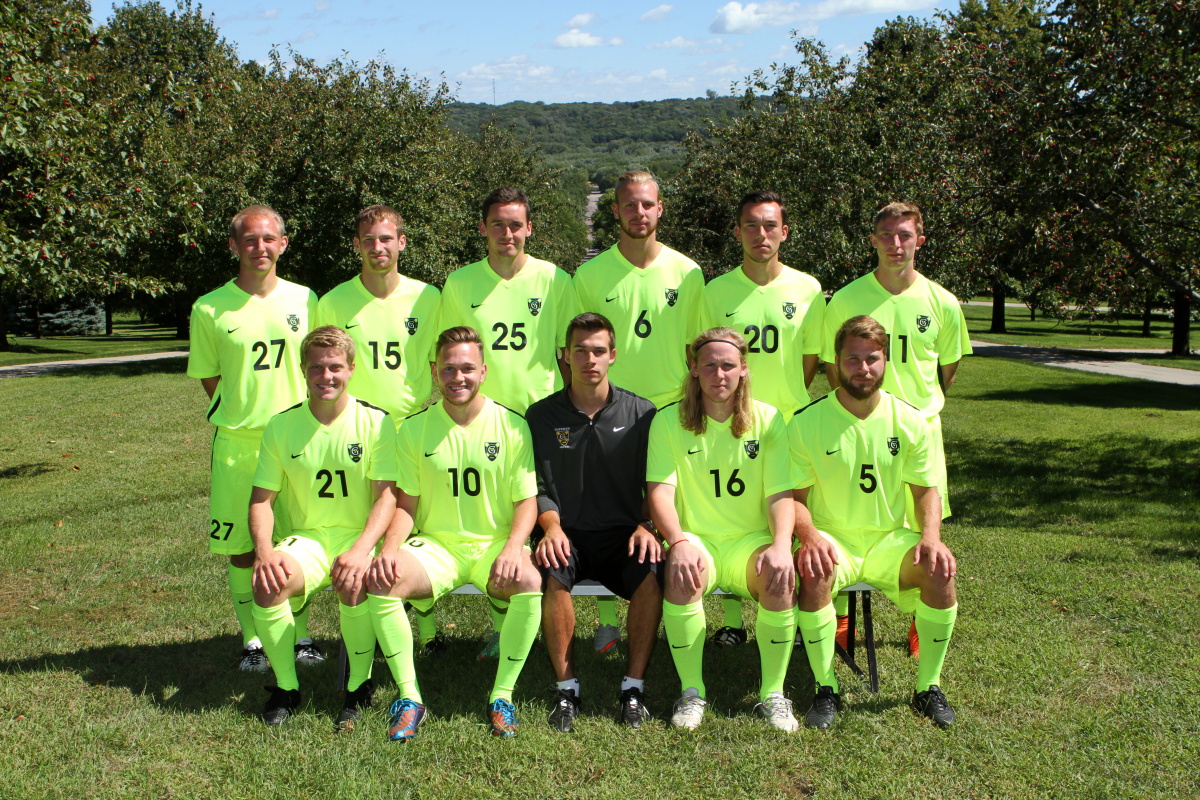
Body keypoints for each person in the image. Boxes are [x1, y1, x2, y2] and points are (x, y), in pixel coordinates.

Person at [366, 326, 543, 740]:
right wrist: (390, 547)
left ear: (483, 370)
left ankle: (503, 696)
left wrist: (515, 547)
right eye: (449, 369)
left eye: (467, 368)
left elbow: (526, 502)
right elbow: (407, 505)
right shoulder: (412, 429)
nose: (458, 377)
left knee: (530, 579)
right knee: (383, 579)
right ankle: (409, 698)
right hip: (439, 546)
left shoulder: (513, 425)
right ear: (434, 371)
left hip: (495, 543)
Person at [791, 315, 959, 729]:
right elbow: (792, 499)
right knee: (813, 572)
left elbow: (926, 491)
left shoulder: (910, 420)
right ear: (835, 362)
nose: (862, 368)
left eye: (872, 359)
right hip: (834, 539)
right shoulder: (806, 422)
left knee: (939, 570)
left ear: (886, 362)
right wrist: (810, 536)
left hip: (890, 541)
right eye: (852, 359)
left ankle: (928, 688)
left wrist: (932, 537)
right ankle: (825, 688)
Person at [821, 201, 971, 656]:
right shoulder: (847, 299)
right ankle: (843, 616)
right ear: (872, 240)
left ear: (919, 240)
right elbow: (834, 367)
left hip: (918, 435)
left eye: (904, 235)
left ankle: (916, 620)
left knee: (921, 526)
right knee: (849, 523)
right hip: (859, 429)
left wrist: (916, 411)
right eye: (885, 235)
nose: (895, 244)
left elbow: (948, 368)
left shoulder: (942, 302)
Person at [574, 170, 703, 651]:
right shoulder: (589, 275)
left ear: (660, 208)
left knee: (670, 512)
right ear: (615, 211)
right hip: (610, 413)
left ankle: (685, 610)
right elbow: (582, 345)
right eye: (629, 205)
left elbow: (697, 345)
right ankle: (608, 618)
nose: (639, 213)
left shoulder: (688, 272)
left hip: (670, 411)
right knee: (610, 511)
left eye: (647, 204)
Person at [647, 328, 800, 731]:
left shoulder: (768, 420)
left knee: (779, 577)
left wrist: (782, 544)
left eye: (728, 365)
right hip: (697, 537)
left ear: (744, 370)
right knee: (681, 572)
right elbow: (659, 494)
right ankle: (692, 692)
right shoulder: (668, 421)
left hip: (749, 541)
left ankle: (773, 694)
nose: (719, 374)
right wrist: (677, 541)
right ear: (693, 369)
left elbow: (780, 495)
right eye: (710, 365)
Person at [186, 204, 318, 671]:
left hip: (298, 441)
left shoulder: (307, 300)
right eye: (249, 239)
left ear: (283, 243)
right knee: (243, 548)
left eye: (268, 239)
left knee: (292, 542)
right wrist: (244, 409)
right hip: (240, 445)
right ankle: (253, 642)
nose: (259, 247)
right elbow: (210, 377)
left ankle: (300, 637)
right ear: (233, 245)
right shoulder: (209, 307)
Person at [247, 326, 399, 728]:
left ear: (351, 368)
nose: (326, 376)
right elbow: (261, 499)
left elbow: (387, 496)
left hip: (358, 536)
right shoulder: (280, 426)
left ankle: (359, 685)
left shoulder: (376, 422)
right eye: (317, 367)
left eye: (335, 367)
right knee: (266, 584)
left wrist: (362, 549)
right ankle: (286, 687)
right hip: (310, 540)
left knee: (354, 581)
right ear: (303, 370)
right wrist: (264, 553)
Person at [525, 312, 661, 732]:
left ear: (613, 355)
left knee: (652, 574)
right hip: (568, 534)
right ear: (564, 356)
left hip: (625, 534)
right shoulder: (541, 416)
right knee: (552, 575)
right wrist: (550, 528)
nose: (589, 359)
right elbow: (536, 485)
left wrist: (647, 525)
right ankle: (567, 690)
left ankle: (633, 687)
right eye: (579, 351)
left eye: (598, 351)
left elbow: (659, 482)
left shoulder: (642, 413)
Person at [316, 204, 443, 654]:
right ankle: (373, 627)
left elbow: (437, 361)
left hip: (411, 427)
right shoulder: (333, 301)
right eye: (368, 240)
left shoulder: (429, 297)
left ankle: (427, 632)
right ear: (356, 245)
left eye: (386, 238)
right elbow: (324, 367)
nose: (378, 247)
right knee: (367, 523)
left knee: (417, 525)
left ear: (402, 242)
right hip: (360, 430)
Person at [700, 190, 824, 646]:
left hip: (788, 424)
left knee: (787, 515)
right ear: (737, 232)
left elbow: (810, 360)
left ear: (784, 232)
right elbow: (708, 354)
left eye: (770, 225)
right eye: (751, 225)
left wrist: (783, 400)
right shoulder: (716, 291)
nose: (761, 234)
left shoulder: (808, 289)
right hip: (732, 422)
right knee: (738, 513)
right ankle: (734, 620)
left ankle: (784, 603)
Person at [438, 187, 579, 415]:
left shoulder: (555, 279)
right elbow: (446, 355)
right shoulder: (459, 282)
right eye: (497, 224)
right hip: (480, 416)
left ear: (529, 228)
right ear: (483, 228)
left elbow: (572, 352)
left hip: (542, 414)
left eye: (515, 225)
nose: (507, 233)